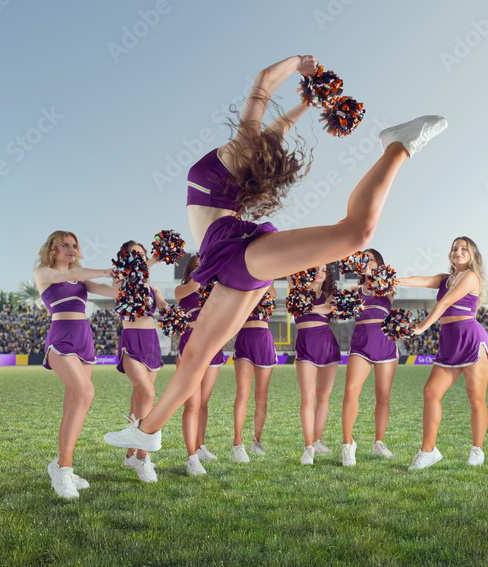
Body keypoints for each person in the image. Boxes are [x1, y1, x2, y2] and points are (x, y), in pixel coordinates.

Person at [104, 54, 447, 453]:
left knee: (356, 233)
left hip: (236, 251)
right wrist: (304, 71)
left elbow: (268, 94)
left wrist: (305, 80)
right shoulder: (242, 147)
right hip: (231, 254)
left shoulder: (238, 154)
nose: (269, 142)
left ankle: (398, 145)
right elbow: (265, 85)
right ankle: (147, 430)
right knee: (197, 353)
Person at [400, 236, 488, 469]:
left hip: (471, 339)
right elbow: (421, 280)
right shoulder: (445, 278)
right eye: (455, 248)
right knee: (431, 391)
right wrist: (393, 280)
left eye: (464, 249)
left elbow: (444, 304)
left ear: (472, 255)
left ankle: (477, 450)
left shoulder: (471, 277)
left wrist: (422, 327)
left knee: (475, 398)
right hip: (449, 340)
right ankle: (428, 451)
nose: (458, 252)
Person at [33, 230, 114, 499]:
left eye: (74, 245)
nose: (71, 249)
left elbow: (109, 291)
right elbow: (66, 276)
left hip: (84, 339)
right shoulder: (43, 273)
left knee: (74, 404)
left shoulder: (82, 278)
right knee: (86, 392)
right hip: (61, 337)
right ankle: (64, 470)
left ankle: (60, 464)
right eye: (65, 245)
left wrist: (132, 276)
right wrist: (105, 270)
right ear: (53, 248)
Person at [113, 240, 167, 483]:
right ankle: (143, 458)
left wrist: (172, 312)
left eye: (142, 254)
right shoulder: (120, 281)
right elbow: (132, 275)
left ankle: (130, 455)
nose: (139, 257)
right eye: (134, 254)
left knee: (139, 398)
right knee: (147, 393)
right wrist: (154, 258)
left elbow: (164, 308)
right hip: (131, 341)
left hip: (151, 343)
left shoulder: (153, 289)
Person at [341, 249, 399, 466]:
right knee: (351, 390)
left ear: (379, 264)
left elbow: (387, 283)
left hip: (385, 346)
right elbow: (341, 310)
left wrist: (375, 275)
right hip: (361, 346)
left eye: (371, 259)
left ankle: (379, 442)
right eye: (363, 259)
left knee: (383, 396)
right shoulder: (354, 290)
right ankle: (348, 445)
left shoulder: (388, 289)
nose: (367, 262)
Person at [175, 255, 226, 475]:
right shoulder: (182, 289)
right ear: (189, 270)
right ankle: (191, 457)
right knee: (192, 404)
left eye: (203, 266)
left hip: (212, 345)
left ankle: (200, 445)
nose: (200, 270)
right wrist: (209, 268)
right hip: (190, 345)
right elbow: (195, 283)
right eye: (196, 266)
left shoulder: (215, 291)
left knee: (204, 402)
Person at [288, 264, 340, 465]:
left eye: (324, 269)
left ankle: (318, 440)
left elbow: (328, 307)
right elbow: (287, 265)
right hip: (306, 343)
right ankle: (308, 447)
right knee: (307, 397)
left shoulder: (330, 294)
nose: (320, 272)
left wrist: (306, 306)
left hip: (327, 344)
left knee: (324, 396)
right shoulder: (296, 289)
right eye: (316, 268)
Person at [232, 285, 277, 462]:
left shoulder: (270, 290)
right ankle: (238, 442)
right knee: (242, 393)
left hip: (264, 340)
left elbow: (269, 283)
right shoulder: (240, 287)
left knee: (261, 397)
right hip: (244, 338)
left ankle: (257, 441)